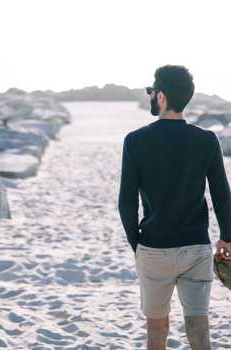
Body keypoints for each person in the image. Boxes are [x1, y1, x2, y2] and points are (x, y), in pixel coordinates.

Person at [118, 64, 231, 350]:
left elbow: (126, 203)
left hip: (154, 249)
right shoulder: (206, 140)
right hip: (196, 248)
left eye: (151, 91)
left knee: (156, 330)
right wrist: (227, 236)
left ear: (162, 97)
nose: (151, 96)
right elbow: (222, 195)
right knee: (198, 328)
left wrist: (138, 244)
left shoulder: (136, 140)